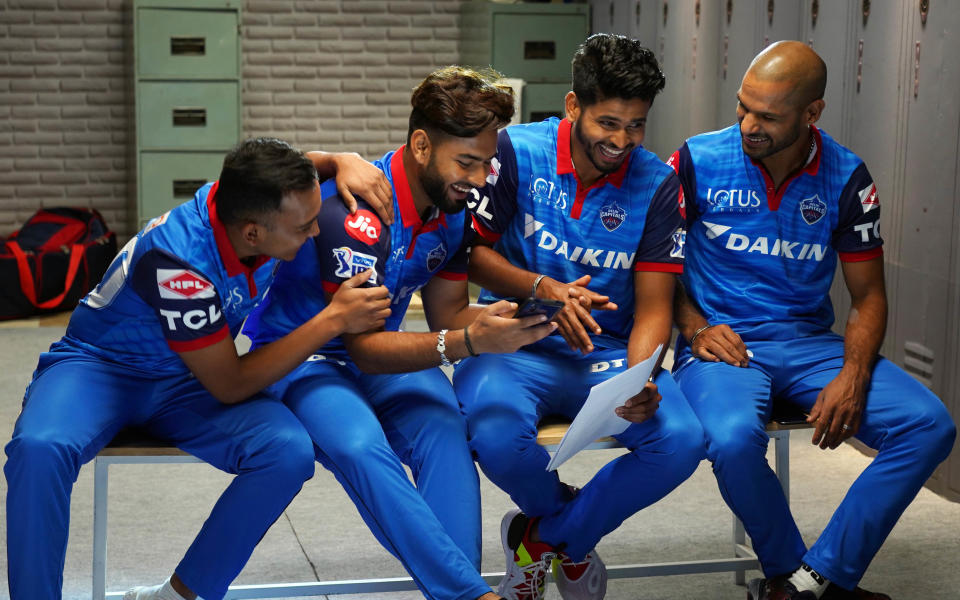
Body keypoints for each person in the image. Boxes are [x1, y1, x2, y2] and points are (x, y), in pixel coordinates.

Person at [4, 137, 395, 600]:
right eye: (305, 226)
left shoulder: (244, 198)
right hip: (102, 367)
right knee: (39, 448)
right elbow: (231, 384)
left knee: (286, 452)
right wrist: (332, 319)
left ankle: (178, 596)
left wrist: (339, 161)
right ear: (253, 233)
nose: (315, 233)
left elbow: (291, 171)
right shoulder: (179, 262)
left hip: (184, 377)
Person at [242, 66, 554, 600]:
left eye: (487, 164)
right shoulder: (354, 211)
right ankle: (467, 595)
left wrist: (506, 322)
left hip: (380, 354)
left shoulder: (452, 211)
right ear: (420, 145)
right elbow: (365, 349)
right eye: (467, 163)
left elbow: (449, 312)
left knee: (444, 428)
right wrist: (470, 342)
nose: (480, 180)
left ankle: (460, 591)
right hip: (306, 357)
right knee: (363, 446)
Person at [669, 41, 956, 600]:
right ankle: (792, 576)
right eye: (743, 107)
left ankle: (812, 580)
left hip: (808, 345)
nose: (749, 124)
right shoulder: (697, 160)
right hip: (722, 343)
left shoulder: (848, 178)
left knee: (929, 425)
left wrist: (853, 373)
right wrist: (694, 327)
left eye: (768, 116)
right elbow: (656, 272)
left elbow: (868, 295)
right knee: (729, 439)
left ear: (812, 114)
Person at [453, 34, 705, 600]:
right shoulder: (515, 151)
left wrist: (638, 380)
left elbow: (656, 305)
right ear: (574, 107)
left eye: (635, 125)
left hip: (606, 354)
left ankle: (546, 539)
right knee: (495, 438)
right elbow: (474, 254)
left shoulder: (659, 185)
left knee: (682, 441)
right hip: (515, 346)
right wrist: (545, 288)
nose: (622, 140)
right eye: (609, 123)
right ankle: (572, 533)